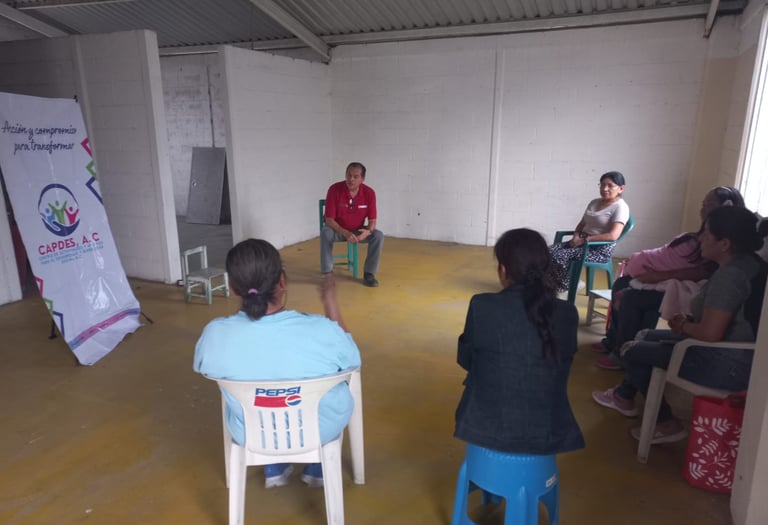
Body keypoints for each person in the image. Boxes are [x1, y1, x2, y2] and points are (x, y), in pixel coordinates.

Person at [194, 239, 361, 488]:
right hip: (320, 429)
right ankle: (317, 466)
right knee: (339, 386)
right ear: (281, 281)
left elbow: (203, 366)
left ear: (233, 288)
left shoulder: (215, 334)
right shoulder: (322, 330)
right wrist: (330, 305)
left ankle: (274, 465)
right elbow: (352, 361)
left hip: (252, 432)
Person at [592, 206, 766, 443]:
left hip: (728, 362)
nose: (700, 239)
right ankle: (624, 396)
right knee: (645, 335)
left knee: (631, 351)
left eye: (707, 233)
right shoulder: (751, 263)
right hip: (745, 356)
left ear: (724, 244)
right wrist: (688, 323)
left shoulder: (730, 276)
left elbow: (710, 333)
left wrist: (684, 326)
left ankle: (665, 422)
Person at [455, 228, 584, 454]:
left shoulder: (482, 305)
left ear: (503, 270)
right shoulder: (568, 313)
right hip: (550, 431)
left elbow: (466, 360)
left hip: (484, 428)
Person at [595, 186, 746, 370]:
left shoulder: (728, 269)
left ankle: (624, 353)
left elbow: (702, 273)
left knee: (631, 298)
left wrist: (659, 277)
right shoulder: (709, 238)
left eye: (710, 204)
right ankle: (617, 342)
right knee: (622, 284)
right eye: (703, 204)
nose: (703, 209)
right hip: (673, 281)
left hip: (685, 288)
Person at [549, 171, 630, 293]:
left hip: (598, 249)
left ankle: (566, 286)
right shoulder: (594, 202)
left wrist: (585, 240)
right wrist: (576, 236)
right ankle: (554, 283)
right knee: (548, 252)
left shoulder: (620, 207)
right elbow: (582, 224)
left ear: (621, 188)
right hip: (581, 241)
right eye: (602, 185)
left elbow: (613, 235)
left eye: (610, 186)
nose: (605, 189)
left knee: (560, 256)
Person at [322, 162, 384, 287]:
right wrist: (346, 233)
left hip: (357, 231)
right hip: (337, 230)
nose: (351, 179)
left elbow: (372, 221)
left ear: (362, 179)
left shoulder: (369, 193)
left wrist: (368, 232)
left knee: (378, 236)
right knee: (325, 232)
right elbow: (329, 220)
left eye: (355, 176)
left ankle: (369, 274)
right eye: (348, 175)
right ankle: (327, 273)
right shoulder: (334, 189)